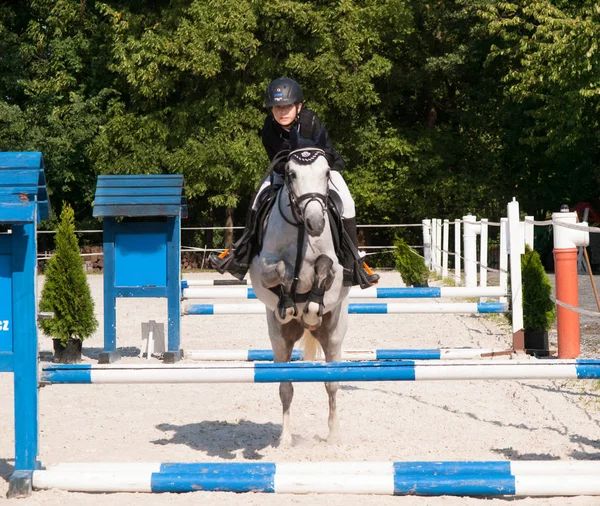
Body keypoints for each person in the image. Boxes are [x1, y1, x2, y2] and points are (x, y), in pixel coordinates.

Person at [210, 77, 379, 288]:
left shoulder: (311, 121)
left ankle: (354, 264)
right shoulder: (269, 128)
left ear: (299, 106)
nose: (282, 112)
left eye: (287, 106)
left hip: (321, 171)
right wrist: (290, 170)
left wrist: (312, 169)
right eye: (277, 107)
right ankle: (241, 255)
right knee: (257, 198)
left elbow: (327, 152)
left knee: (347, 200)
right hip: (289, 174)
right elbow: (275, 159)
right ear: (271, 110)